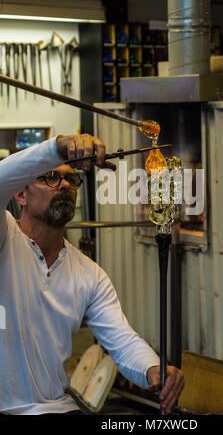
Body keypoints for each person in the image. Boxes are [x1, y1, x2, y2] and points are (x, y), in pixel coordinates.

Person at [0, 133, 184, 415]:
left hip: (55, 409)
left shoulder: (89, 274)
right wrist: (56, 148)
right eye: (50, 176)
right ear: (21, 194)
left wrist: (153, 368)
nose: (64, 184)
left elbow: (122, 342)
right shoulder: (5, 239)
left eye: (71, 179)